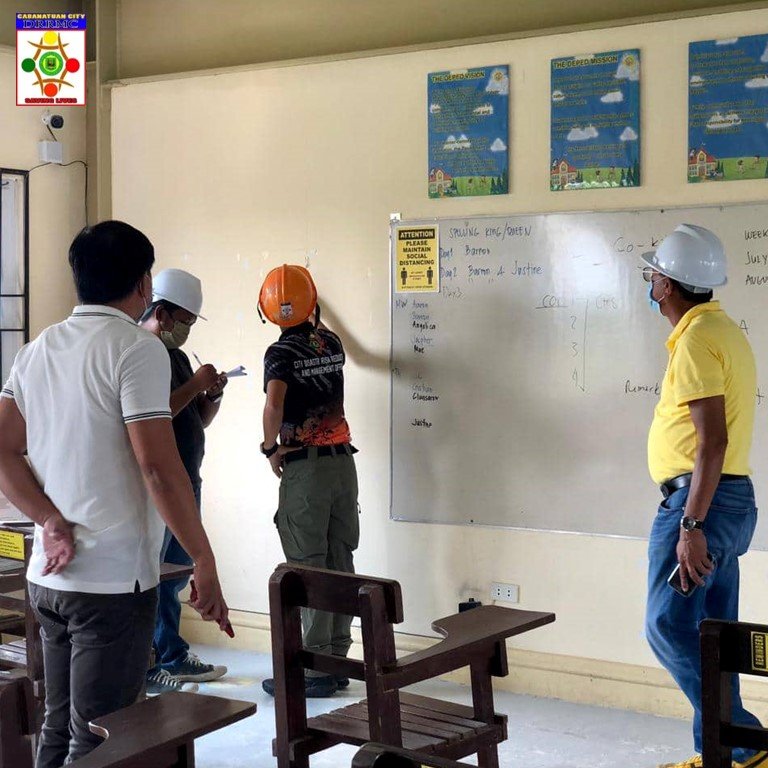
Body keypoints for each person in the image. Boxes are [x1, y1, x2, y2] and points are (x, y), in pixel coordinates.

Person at [0, 221, 229, 768]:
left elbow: (3, 451)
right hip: (112, 585)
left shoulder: (37, 350)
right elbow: (157, 468)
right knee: (105, 739)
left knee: (58, 727)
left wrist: (48, 520)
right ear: (144, 284)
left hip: (47, 582)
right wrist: (202, 556)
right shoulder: (136, 349)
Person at [642, 224, 766, 768]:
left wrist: (690, 527)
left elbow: (711, 440)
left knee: (667, 625)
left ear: (668, 284)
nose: (649, 278)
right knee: (715, 633)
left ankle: (745, 741)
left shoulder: (694, 340)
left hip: (701, 508)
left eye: (654, 271)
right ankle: (728, 753)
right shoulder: (723, 330)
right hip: (729, 501)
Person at [258, 265, 359, 698]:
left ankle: (315, 667)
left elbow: (274, 403)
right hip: (342, 464)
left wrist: (269, 448)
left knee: (308, 563)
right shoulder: (331, 342)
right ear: (312, 302)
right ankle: (337, 658)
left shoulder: (279, 353)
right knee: (340, 557)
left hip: (307, 468)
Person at [140, 269, 229, 694]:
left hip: (188, 478)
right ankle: (161, 657)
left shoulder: (173, 356)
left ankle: (171, 654)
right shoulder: (142, 353)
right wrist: (194, 384)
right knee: (160, 575)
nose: (187, 330)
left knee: (174, 575)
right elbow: (154, 415)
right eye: (186, 320)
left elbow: (195, 421)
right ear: (162, 312)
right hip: (164, 486)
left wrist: (209, 396)